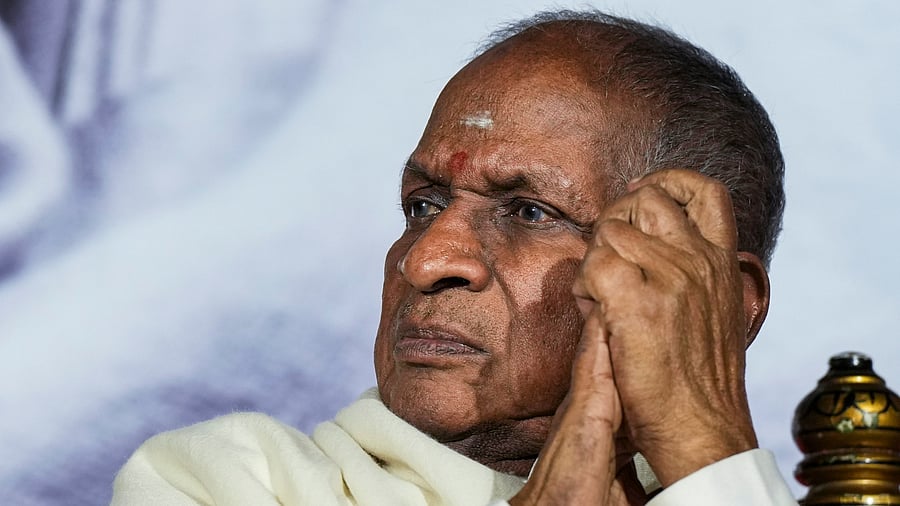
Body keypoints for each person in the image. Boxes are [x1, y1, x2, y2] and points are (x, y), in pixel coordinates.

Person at [112, 10, 797, 505]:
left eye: (529, 212)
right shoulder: (223, 481)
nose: (426, 259)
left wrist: (711, 457)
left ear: (717, 303)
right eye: (424, 205)